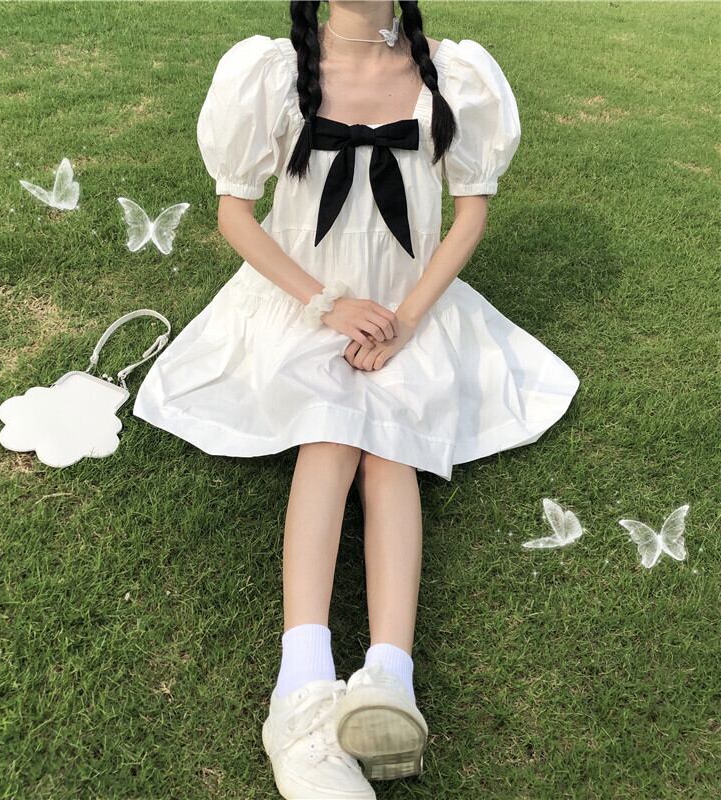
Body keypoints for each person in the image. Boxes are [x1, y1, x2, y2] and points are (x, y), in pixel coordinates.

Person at [132, 1, 580, 797]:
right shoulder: (274, 74)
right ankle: (300, 689)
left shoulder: (453, 76)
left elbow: (470, 215)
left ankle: (389, 678)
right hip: (302, 301)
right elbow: (235, 214)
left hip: (408, 307)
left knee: (391, 441)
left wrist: (406, 321)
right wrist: (325, 305)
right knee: (332, 434)